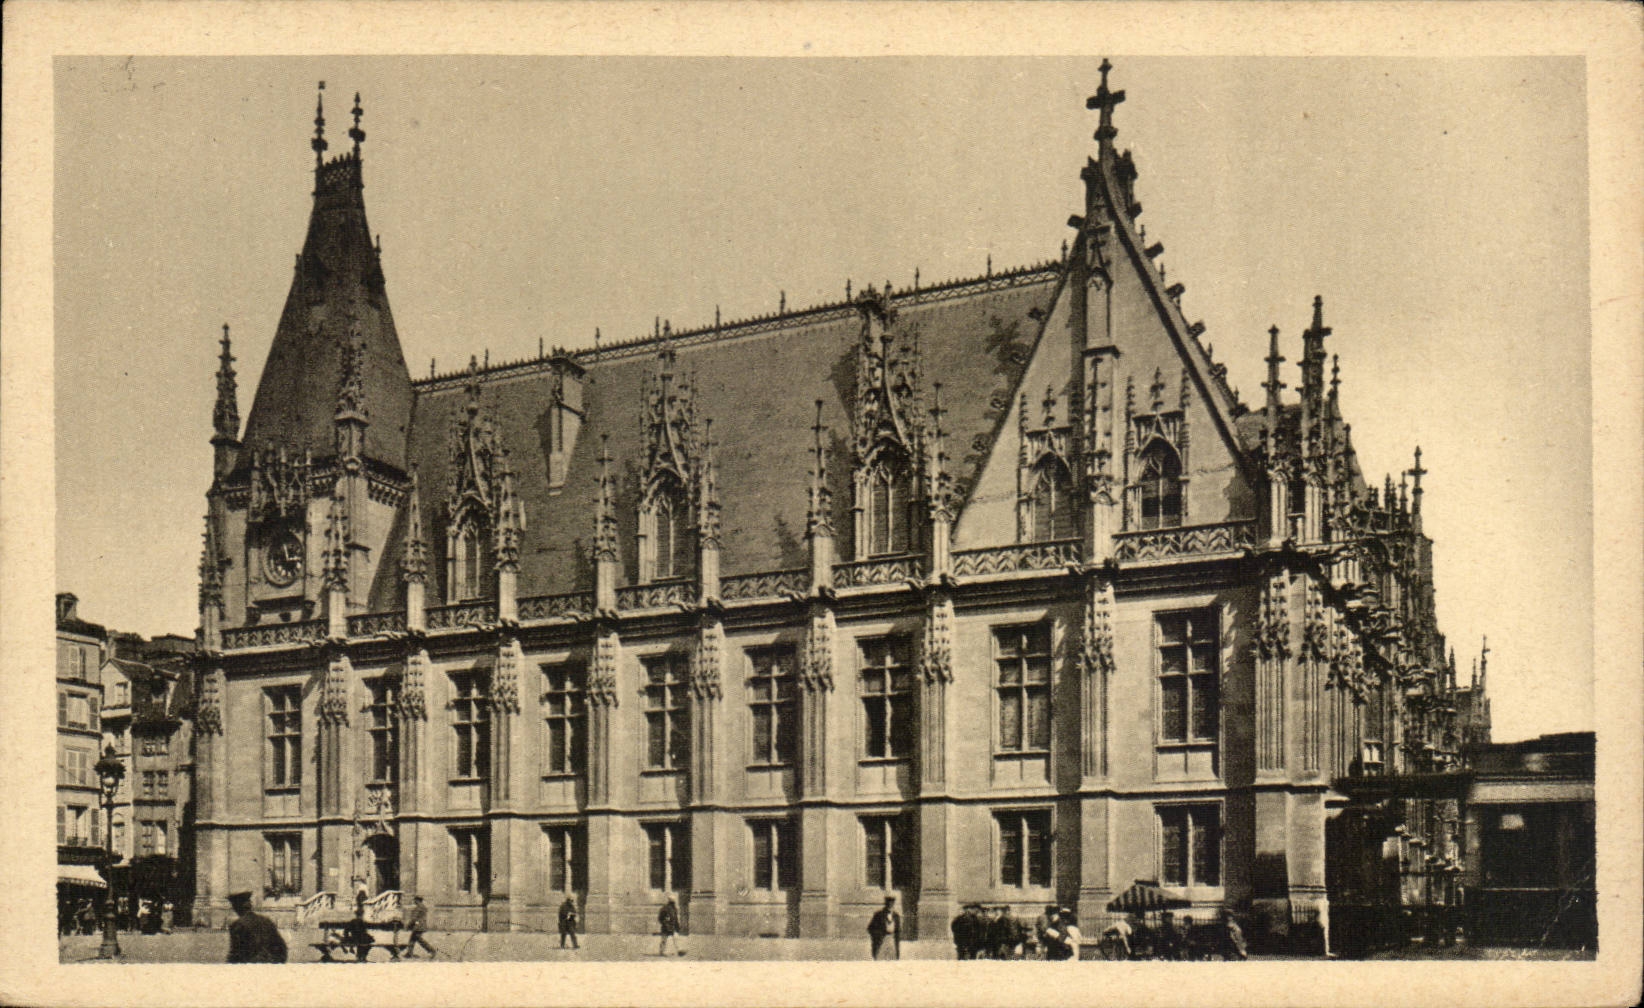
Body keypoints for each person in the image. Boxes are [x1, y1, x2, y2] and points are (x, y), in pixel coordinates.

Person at [225, 890, 287, 963]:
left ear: (236, 907)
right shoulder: (266, 921)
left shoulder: (237, 925)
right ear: (250, 906)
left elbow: (236, 955)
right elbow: (282, 948)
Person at [403, 895, 437, 960]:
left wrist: (408, 926)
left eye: (415, 900)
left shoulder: (418, 908)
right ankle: (409, 953)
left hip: (418, 926)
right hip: (421, 925)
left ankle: (432, 951)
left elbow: (414, 918)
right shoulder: (423, 907)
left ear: (417, 900)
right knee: (412, 939)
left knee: (419, 939)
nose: (414, 901)